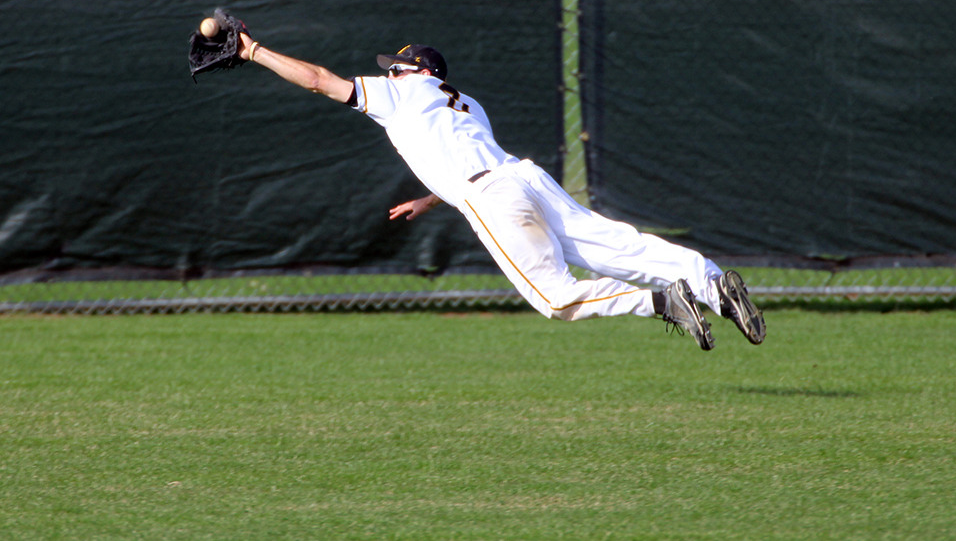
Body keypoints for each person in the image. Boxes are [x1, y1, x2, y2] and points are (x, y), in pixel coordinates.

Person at [233, 31, 765, 350]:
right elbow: (465, 154)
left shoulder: (400, 93)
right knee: (619, 245)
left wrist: (254, 50)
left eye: (395, 65)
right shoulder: (466, 102)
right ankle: (712, 284)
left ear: (416, 69)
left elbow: (318, 79)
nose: (389, 71)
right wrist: (431, 196)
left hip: (491, 196)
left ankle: (662, 303)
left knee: (555, 298)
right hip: (525, 178)